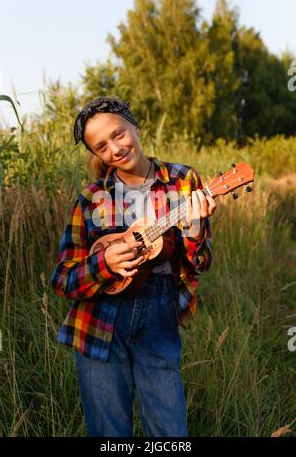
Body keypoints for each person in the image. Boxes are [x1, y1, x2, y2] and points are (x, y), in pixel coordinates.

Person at [50, 96, 216, 437]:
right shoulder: (92, 197)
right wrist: (102, 264)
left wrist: (196, 228)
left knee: (169, 430)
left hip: (158, 315)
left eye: (119, 133)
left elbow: (200, 263)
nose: (115, 148)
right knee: (108, 432)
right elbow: (63, 279)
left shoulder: (183, 181)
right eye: (101, 146)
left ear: (134, 126)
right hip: (98, 321)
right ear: (97, 155)